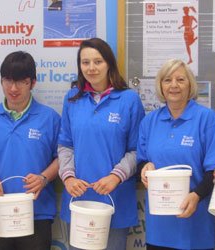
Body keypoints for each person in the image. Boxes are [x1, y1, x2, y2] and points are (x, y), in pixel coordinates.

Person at [58, 37, 145, 250]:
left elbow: (137, 150)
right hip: (78, 200)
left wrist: (116, 176)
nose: (91, 68)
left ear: (109, 64)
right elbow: (65, 145)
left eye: (98, 61)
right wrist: (68, 178)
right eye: (85, 62)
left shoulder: (128, 100)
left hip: (114, 199)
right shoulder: (72, 99)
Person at [0, 51, 60, 250]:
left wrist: (44, 178)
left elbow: (63, 158)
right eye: (7, 81)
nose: (13, 88)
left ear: (32, 83)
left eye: (21, 82)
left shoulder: (50, 118)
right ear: (1, 81)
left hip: (37, 212)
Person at [138, 59, 215, 249]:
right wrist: (145, 167)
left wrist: (196, 196)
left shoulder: (206, 119)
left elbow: (214, 171)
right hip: (159, 226)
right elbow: (141, 161)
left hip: (195, 221)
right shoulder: (149, 121)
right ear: (160, 86)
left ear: (190, 84)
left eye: (180, 80)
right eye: (167, 80)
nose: (174, 85)